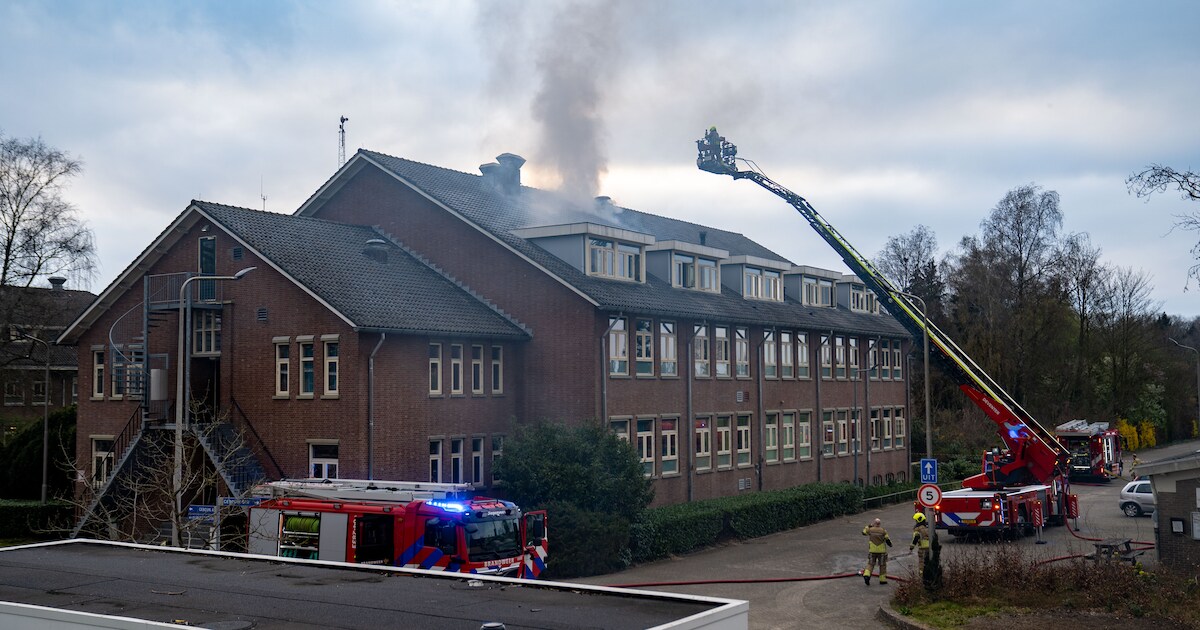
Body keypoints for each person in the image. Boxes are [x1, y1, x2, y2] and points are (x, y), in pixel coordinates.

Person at [861, 517, 892, 585]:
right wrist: (890, 545)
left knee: (871, 564)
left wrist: (868, 526)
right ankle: (882, 579)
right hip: (882, 551)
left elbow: (863, 532)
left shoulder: (870, 530)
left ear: (874, 523)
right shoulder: (883, 530)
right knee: (882, 565)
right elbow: (887, 539)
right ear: (880, 524)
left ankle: (867, 575)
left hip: (872, 550)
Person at [910, 512, 931, 577]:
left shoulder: (917, 529)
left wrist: (911, 547)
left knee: (922, 563)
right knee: (929, 562)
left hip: (922, 548)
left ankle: (921, 576)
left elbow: (915, 538)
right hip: (930, 548)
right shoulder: (928, 528)